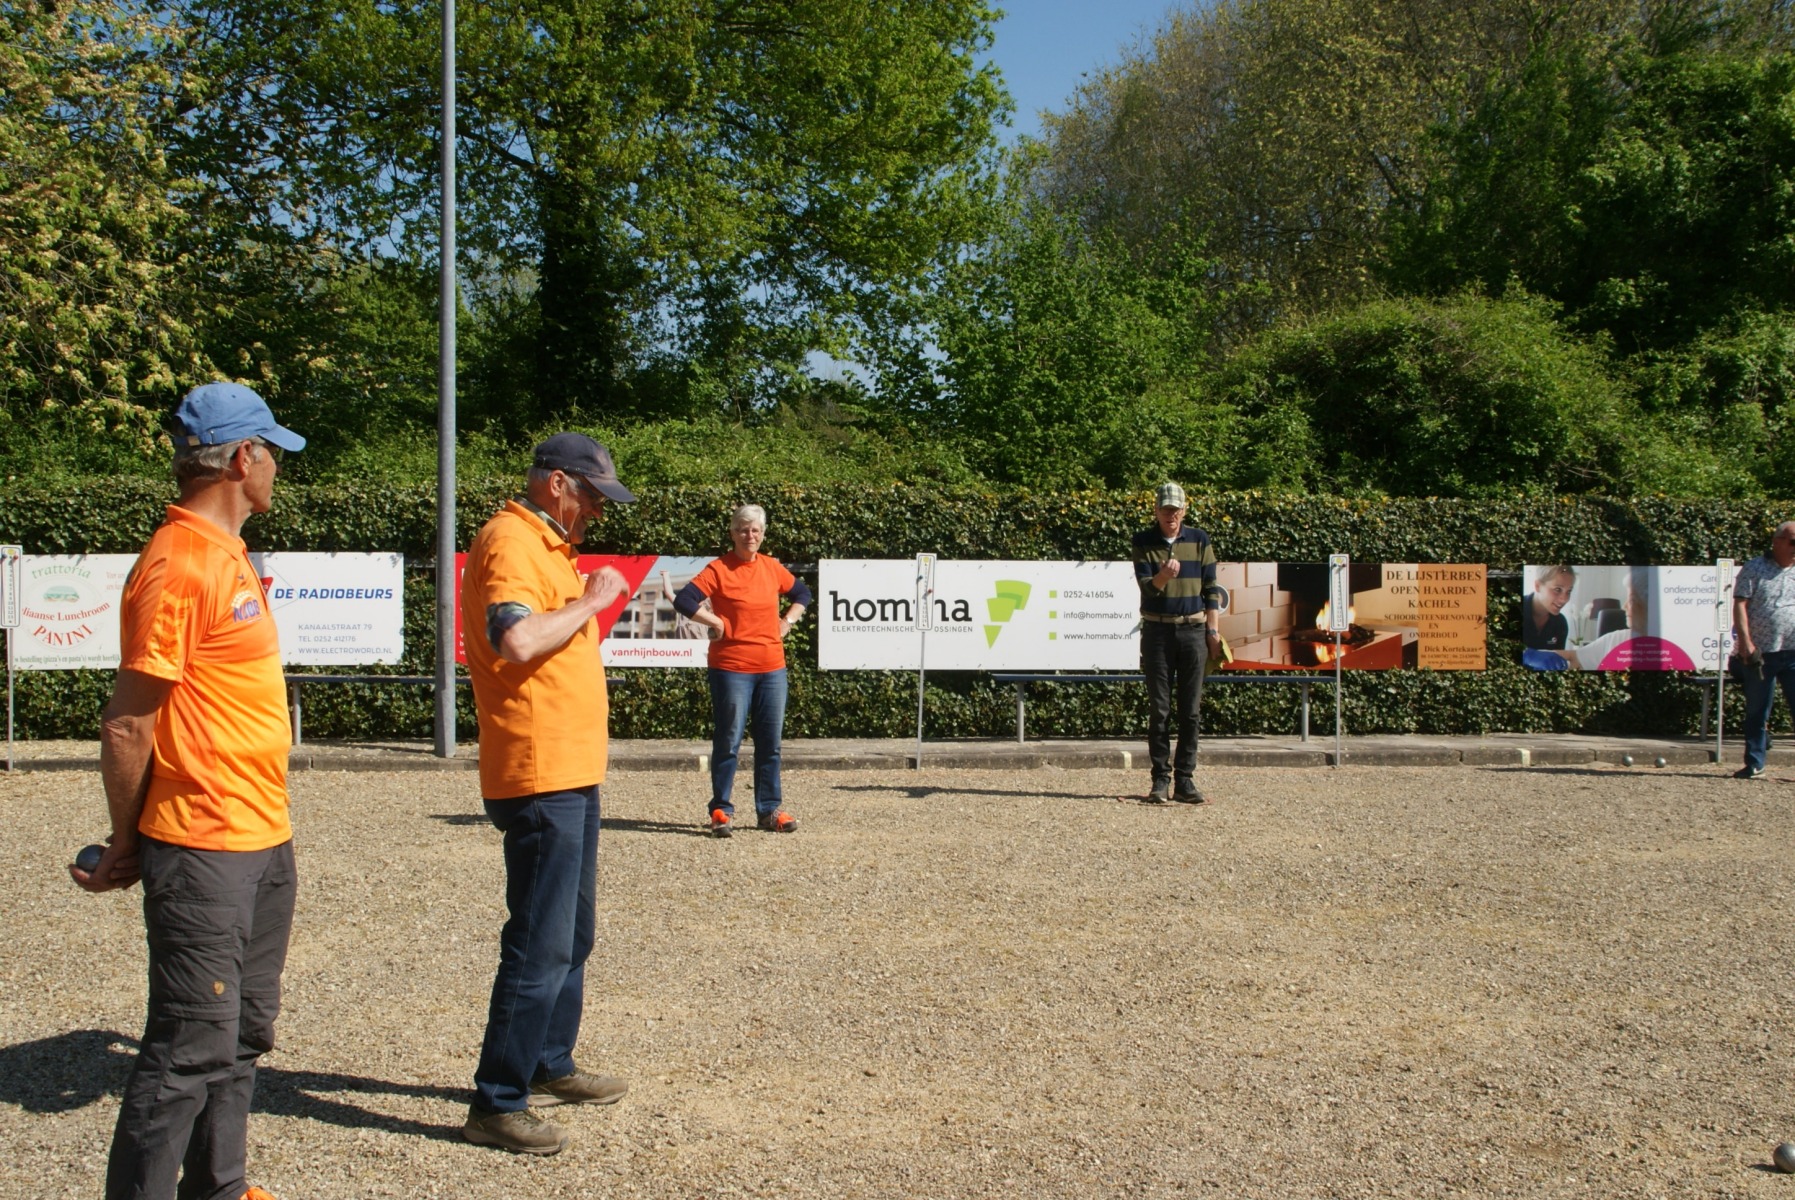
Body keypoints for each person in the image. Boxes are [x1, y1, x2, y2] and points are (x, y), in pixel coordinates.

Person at [70, 382, 305, 1200]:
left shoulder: (224, 551)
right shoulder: (179, 564)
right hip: (203, 841)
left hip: (261, 832)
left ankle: (219, 1188)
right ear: (243, 458)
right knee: (186, 1050)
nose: (276, 468)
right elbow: (128, 724)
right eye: (271, 452)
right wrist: (128, 840)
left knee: (242, 1033)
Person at [459, 432, 636, 1155]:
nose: (597, 510)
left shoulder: (547, 545)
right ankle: (496, 1102)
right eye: (592, 495)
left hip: (569, 768)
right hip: (539, 772)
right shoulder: (510, 540)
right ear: (557, 483)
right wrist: (591, 602)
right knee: (539, 942)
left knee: (572, 934)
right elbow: (519, 640)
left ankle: (547, 1061)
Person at [673, 504, 813, 837]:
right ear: (733, 533)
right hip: (731, 667)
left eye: (755, 530)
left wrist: (787, 622)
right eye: (743, 530)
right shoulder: (719, 568)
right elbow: (684, 600)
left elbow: (802, 593)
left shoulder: (771, 567)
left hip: (772, 668)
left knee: (771, 743)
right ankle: (721, 809)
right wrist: (714, 621)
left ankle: (769, 810)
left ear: (762, 534)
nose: (750, 535)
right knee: (729, 740)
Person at [1131, 482, 1223, 804]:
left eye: (1176, 509)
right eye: (1166, 509)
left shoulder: (1200, 539)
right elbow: (1147, 588)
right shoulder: (1142, 541)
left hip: (1193, 632)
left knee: (1190, 710)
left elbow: (1211, 589)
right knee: (1159, 710)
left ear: (1184, 511)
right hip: (1157, 632)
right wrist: (1164, 576)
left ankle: (1185, 780)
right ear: (1156, 510)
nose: (1171, 515)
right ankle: (1160, 780)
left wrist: (1213, 632)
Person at [1732, 522, 1795, 780]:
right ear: (1777, 541)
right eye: (1793, 542)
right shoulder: (1755, 567)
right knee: (1758, 710)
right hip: (1762, 651)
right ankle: (1755, 762)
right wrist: (1745, 641)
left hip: (1793, 650)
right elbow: (1740, 605)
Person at [1522, 565, 1576, 650]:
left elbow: (1557, 656)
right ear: (1538, 586)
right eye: (1558, 589)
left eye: (1569, 591)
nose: (1565, 599)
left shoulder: (1560, 623)